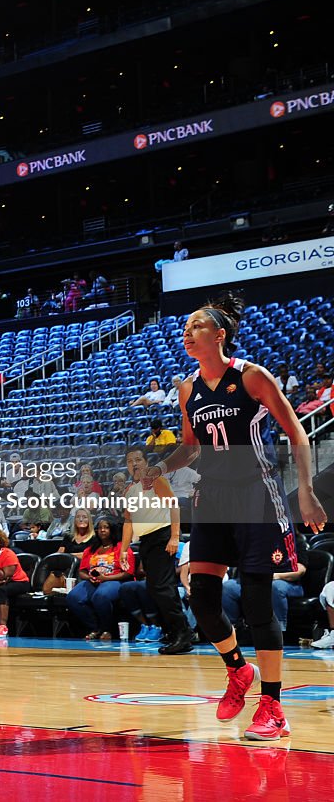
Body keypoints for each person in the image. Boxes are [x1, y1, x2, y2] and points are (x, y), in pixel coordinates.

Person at [141, 293, 326, 740]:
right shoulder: (187, 389)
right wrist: (162, 466)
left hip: (256, 495)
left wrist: (306, 491)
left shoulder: (251, 377)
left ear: (219, 334)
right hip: (213, 498)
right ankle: (238, 671)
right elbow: (191, 445)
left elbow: (295, 430)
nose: (186, 332)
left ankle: (274, 707)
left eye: (196, 326)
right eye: (184, 327)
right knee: (202, 598)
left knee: (259, 603)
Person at [119, 446, 195, 655]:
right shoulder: (130, 490)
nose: (134, 464)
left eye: (138, 460)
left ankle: (183, 634)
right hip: (146, 541)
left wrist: (175, 537)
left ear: (146, 463)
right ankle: (174, 631)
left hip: (161, 537)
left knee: (164, 588)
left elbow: (174, 506)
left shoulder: (156, 481)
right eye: (129, 461)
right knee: (155, 589)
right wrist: (123, 550)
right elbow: (128, 521)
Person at [65, 518, 134, 640]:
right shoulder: (91, 549)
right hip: (94, 581)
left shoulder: (122, 548)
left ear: (112, 530)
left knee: (100, 596)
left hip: (115, 580)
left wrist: (106, 578)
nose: (102, 530)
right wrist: (90, 577)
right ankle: (96, 628)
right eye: (100, 528)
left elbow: (128, 573)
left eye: (106, 527)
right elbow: (82, 571)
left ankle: (107, 629)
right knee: (73, 597)